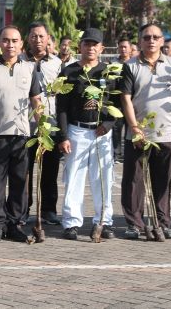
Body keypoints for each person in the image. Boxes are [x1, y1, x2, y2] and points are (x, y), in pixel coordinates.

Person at [120, 23, 171, 240]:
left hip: (165, 133)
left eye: (155, 37)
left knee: (163, 181)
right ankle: (134, 224)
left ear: (162, 41)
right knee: (133, 182)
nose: (151, 40)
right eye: (146, 37)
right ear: (139, 40)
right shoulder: (130, 66)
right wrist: (135, 128)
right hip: (138, 134)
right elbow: (126, 99)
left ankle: (163, 222)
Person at [0, 25, 42, 243]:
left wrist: (43, 131)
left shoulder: (30, 69)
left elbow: (36, 102)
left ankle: (14, 225)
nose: (10, 45)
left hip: (23, 136)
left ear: (21, 44)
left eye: (14, 41)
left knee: (19, 183)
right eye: (6, 40)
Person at [57, 28, 117, 240]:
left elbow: (116, 104)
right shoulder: (69, 72)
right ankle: (72, 223)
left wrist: (108, 124)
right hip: (77, 130)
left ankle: (103, 221)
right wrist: (63, 136)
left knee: (103, 179)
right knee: (74, 177)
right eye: (87, 43)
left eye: (95, 44)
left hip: (101, 133)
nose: (91, 48)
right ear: (80, 46)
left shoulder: (109, 72)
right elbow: (61, 106)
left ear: (101, 48)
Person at [25, 22, 63, 225]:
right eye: (33, 36)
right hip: (25, 126)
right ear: (28, 38)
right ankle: (23, 209)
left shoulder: (58, 64)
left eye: (41, 36)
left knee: (50, 170)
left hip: (50, 125)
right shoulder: (20, 62)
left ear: (48, 38)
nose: (37, 40)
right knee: (24, 171)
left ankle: (49, 210)